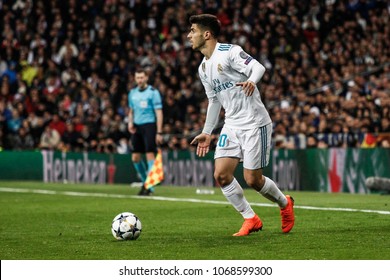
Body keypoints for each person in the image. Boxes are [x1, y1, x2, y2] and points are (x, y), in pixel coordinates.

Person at [188, 14, 295, 236]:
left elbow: (258, 68)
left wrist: (251, 80)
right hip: (232, 124)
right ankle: (250, 218)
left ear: (206, 34)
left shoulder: (230, 52)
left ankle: (285, 204)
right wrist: (207, 132)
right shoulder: (202, 68)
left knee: (252, 180)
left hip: (255, 122)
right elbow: (215, 100)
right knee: (221, 175)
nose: (189, 35)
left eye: (193, 30)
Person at [128, 69, 163, 196]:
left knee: (149, 155)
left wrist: (159, 132)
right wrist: (130, 123)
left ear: (146, 78)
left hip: (149, 126)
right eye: (137, 77)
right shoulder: (132, 93)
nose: (140, 80)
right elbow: (131, 110)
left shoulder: (153, 92)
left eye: (142, 77)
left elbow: (159, 113)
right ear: (135, 78)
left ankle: (150, 186)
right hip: (137, 126)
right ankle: (145, 182)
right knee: (135, 158)